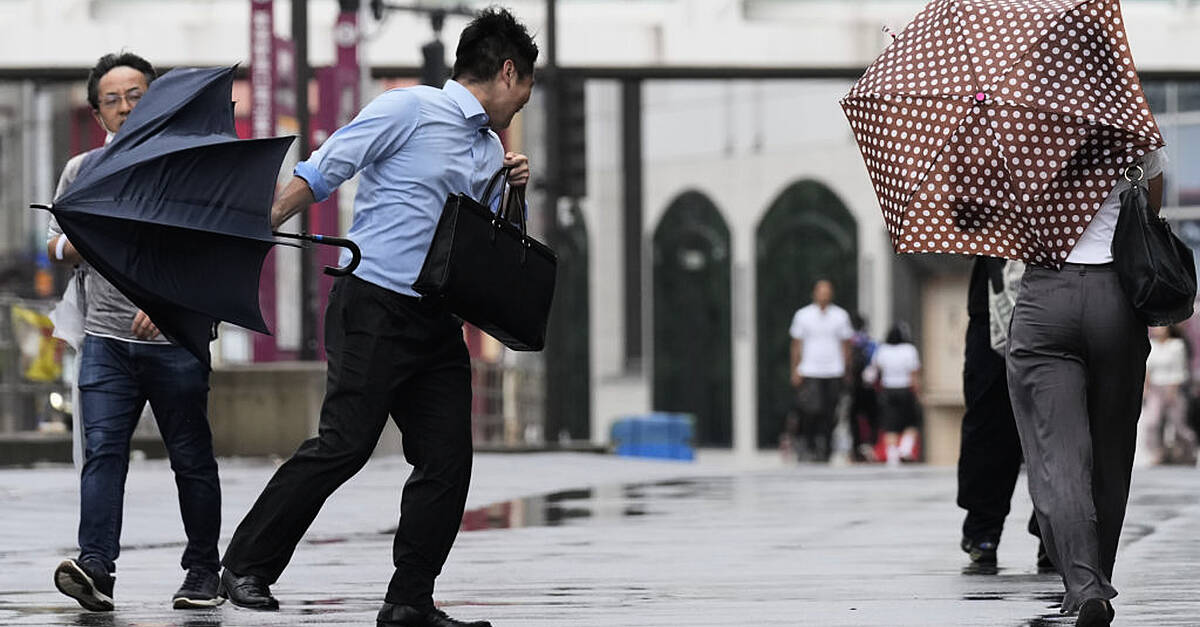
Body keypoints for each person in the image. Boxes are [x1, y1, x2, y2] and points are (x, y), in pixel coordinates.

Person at [217, 9, 536, 627]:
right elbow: (324, 167)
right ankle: (246, 565)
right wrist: (253, 232)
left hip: (438, 321)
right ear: (506, 71)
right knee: (345, 444)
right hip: (376, 304)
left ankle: (410, 599)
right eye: (525, 87)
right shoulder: (407, 109)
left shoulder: (492, 147)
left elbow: (480, 241)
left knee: (447, 459)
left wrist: (510, 187)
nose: (523, 102)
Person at [47, 52, 223, 612]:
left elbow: (218, 250)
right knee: (102, 453)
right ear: (99, 113)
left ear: (156, 99)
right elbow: (53, 244)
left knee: (191, 457)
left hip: (175, 342)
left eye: (137, 95)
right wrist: (76, 240)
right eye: (113, 100)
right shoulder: (81, 171)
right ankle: (96, 566)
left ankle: (202, 572)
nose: (125, 107)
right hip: (104, 341)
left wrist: (174, 305)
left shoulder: (191, 166)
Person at [1007, 147, 1169, 627]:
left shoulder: (1017, 131)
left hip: (1046, 300)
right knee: (1111, 455)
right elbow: (1150, 208)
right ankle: (1097, 574)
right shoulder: (1130, 123)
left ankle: (1084, 584)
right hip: (1117, 299)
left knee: (1059, 456)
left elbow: (994, 221)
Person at [956, 257, 1046, 568]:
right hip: (990, 306)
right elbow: (962, 235)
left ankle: (1054, 529)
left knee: (1054, 423)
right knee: (989, 424)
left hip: (1051, 300)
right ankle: (984, 528)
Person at [788, 279, 854, 462]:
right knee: (811, 409)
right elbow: (796, 345)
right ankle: (808, 443)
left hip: (834, 370)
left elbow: (846, 344)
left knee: (830, 411)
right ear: (815, 293)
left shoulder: (841, 316)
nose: (824, 295)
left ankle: (825, 447)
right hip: (810, 370)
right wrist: (795, 369)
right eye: (821, 291)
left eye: (827, 292)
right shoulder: (803, 315)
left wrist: (847, 369)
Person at [1140, 325, 1197, 465]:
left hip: (1172, 387)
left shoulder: (1176, 345)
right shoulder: (1151, 345)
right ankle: (1157, 452)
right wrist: (1145, 389)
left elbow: (1180, 369)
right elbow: (1147, 368)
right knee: (1152, 422)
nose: (1157, 330)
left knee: (1178, 425)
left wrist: (1173, 390)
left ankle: (1188, 451)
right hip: (1155, 388)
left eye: (1161, 327)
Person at [867, 324, 921, 466]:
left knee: (890, 425)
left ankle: (892, 456)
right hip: (905, 389)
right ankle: (905, 449)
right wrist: (917, 391)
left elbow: (874, 370)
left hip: (888, 389)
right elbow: (913, 373)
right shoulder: (910, 350)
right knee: (911, 422)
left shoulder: (882, 350)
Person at [846, 313, 880, 462]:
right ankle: (871, 445)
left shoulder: (849, 342)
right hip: (869, 386)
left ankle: (856, 447)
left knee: (853, 418)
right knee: (872, 417)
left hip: (853, 387)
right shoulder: (870, 342)